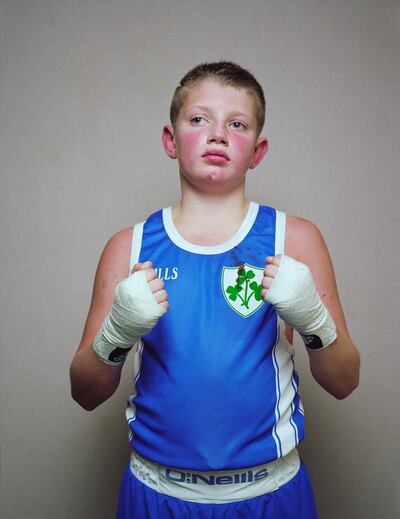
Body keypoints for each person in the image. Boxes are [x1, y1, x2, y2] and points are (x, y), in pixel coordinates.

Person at [70, 61, 360, 519]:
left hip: (270, 493)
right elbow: (84, 393)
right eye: (199, 119)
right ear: (171, 139)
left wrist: (314, 322)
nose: (218, 134)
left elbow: (344, 382)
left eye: (237, 124)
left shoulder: (294, 239)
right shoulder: (130, 247)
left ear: (257, 151)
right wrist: (115, 334)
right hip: (156, 493)